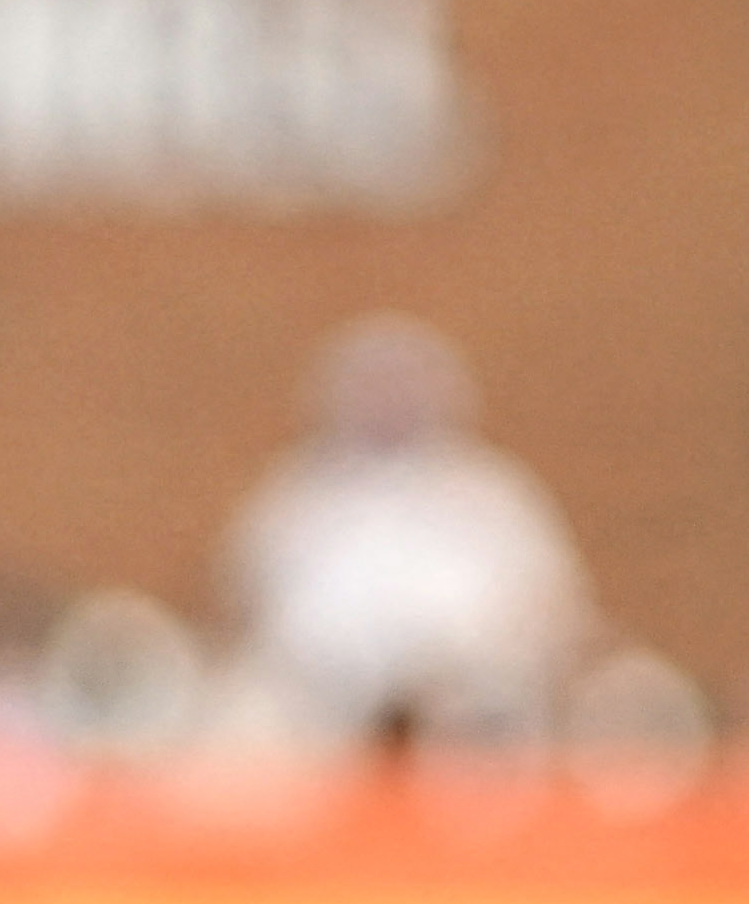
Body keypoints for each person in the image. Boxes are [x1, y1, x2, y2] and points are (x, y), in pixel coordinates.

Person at [221, 310, 589, 739]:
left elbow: (553, 609)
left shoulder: (495, 497)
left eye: (401, 388)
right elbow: (245, 608)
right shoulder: (295, 500)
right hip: (320, 710)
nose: (388, 403)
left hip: (467, 705)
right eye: (373, 389)